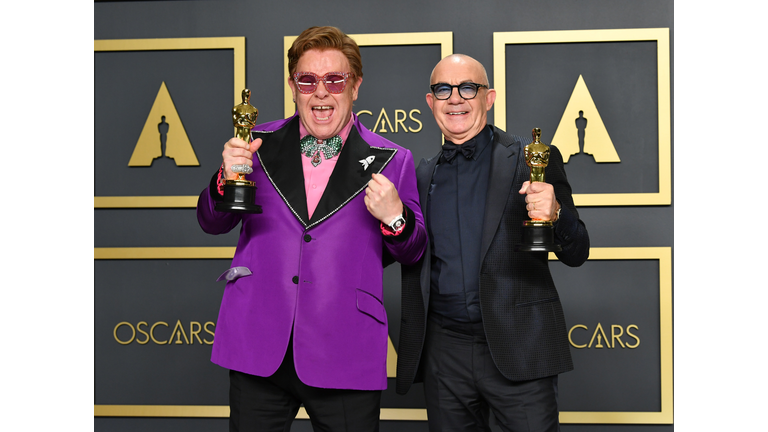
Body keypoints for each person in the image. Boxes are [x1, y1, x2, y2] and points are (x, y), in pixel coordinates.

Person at [197, 26, 427, 432]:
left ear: (355, 86)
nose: (321, 92)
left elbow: (413, 251)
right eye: (308, 80)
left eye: (334, 80)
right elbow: (211, 222)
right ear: (293, 87)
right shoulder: (256, 143)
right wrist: (223, 179)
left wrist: (395, 217)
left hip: (345, 347)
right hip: (258, 341)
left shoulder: (394, 159)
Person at [395, 54, 590, 431]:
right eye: (443, 89)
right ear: (430, 101)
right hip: (444, 352)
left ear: (490, 97)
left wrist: (555, 215)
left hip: (520, 345)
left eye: (468, 87)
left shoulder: (534, 159)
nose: (455, 98)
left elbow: (578, 251)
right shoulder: (419, 174)